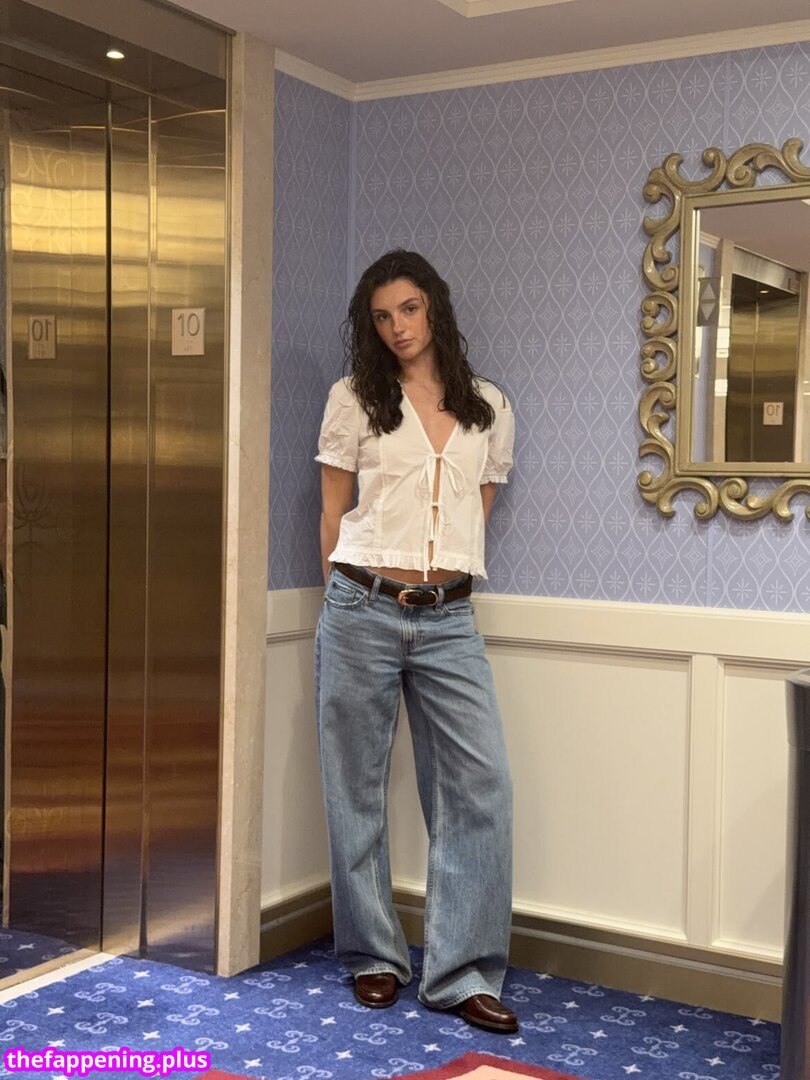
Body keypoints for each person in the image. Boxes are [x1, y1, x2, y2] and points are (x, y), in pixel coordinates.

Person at [314, 249, 517, 1034]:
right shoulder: (353, 400)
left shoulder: (487, 407)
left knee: (479, 786)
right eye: (381, 316)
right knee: (355, 786)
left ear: (434, 306)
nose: (397, 327)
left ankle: (462, 971)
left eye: (408, 308)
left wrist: (438, 578)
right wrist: (338, 601)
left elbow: (475, 511)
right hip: (360, 604)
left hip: (449, 618)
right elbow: (333, 513)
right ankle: (373, 954)